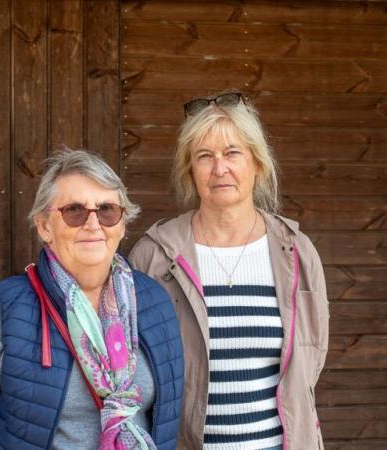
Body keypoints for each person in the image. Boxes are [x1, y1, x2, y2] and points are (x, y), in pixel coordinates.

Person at [0, 149, 184, 450]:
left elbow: (164, 422)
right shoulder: (6, 311)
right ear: (45, 226)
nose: (93, 224)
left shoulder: (153, 302)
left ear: (123, 224)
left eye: (107, 210)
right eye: (74, 211)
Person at [129, 91, 329, 449]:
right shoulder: (154, 257)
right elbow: (134, 370)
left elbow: (311, 359)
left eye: (232, 152)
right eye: (205, 156)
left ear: (257, 162)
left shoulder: (296, 252)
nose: (220, 168)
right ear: (190, 169)